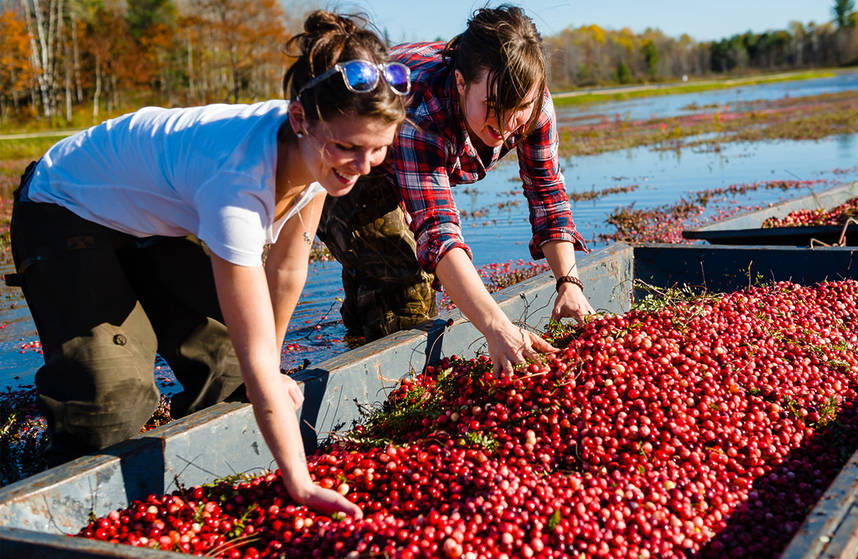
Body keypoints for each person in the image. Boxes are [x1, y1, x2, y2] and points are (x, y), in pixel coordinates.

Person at [8, 10, 408, 517]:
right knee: (114, 397)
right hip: (64, 206)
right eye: (349, 148)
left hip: (150, 222)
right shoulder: (237, 185)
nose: (362, 166)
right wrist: (300, 480)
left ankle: (193, 489)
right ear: (299, 119)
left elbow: (286, 270)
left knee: (227, 368)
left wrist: (272, 368)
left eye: (379, 149)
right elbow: (257, 347)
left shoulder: (319, 150)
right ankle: (60, 510)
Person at [317, 4, 593, 375]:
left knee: (385, 273)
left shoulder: (534, 104)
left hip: (401, 157)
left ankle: (360, 325)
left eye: (520, 108)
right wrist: (497, 327)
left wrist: (568, 282)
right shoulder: (422, 112)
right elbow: (438, 229)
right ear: (461, 83)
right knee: (405, 286)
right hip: (345, 161)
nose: (508, 124)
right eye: (493, 107)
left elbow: (547, 193)